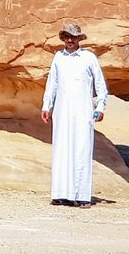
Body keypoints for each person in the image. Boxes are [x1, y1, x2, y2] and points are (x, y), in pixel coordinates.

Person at [39, 23, 108, 207]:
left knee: (82, 150)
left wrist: (100, 107)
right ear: (63, 38)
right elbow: (52, 83)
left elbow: (100, 86)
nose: (70, 40)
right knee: (61, 150)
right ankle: (60, 194)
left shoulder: (88, 58)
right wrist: (47, 106)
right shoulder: (58, 58)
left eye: (74, 37)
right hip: (62, 113)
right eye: (67, 37)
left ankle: (81, 196)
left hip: (83, 112)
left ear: (79, 39)